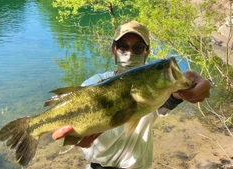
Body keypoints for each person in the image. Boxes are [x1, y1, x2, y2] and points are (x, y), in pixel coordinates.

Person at [52, 21, 211, 169]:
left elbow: (170, 99)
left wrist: (188, 83)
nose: (129, 53)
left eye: (138, 48)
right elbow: (72, 124)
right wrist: (76, 140)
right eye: (122, 47)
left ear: (146, 52)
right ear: (113, 50)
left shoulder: (153, 90)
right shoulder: (91, 85)